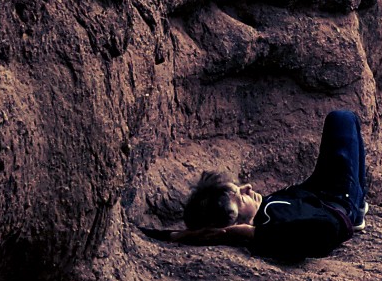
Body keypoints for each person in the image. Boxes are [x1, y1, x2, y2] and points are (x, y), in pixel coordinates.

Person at [147, 110, 368, 260]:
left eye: (239, 188)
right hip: (338, 203)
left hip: (315, 190)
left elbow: (174, 233)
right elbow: (326, 230)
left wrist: (179, 235)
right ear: (238, 223)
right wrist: (251, 234)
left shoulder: (264, 212)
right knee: (342, 119)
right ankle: (356, 211)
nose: (248, 188)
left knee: (341, 121)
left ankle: (357, 206)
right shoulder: (273, 228)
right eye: (241, 197)